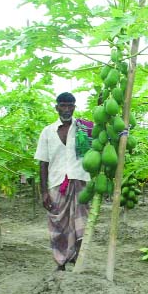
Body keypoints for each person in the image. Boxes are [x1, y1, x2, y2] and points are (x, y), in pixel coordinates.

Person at [34, 92, 91, 271]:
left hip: (80, 180)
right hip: (57, 183)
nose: (66, 109)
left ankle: (77, 261)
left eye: (70, 106)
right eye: (63, 105)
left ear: (74, 107)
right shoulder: (48, 131)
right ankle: (61, 262)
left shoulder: (85, 128)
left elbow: (103, 134)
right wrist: (43, 192)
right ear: (56, 107)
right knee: (58, 224)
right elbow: (43, 163)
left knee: (80, 224)